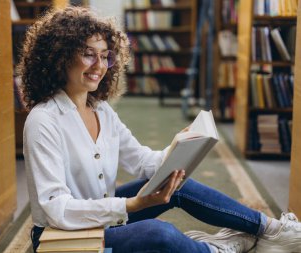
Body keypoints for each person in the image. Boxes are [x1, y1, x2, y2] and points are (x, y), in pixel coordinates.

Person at [18, 6, 301, 253]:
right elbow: (56, 209)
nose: (99, 66)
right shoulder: (44, 121)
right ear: (60, 57)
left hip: (101, 217)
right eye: (88, 54)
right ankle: (212, 250)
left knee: (175, 185)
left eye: (105, 56)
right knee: (159, 234)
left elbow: (142, 162)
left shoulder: (101, 110)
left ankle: (271, 230)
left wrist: (182, 146)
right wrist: (132, 206)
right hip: (65, 236)